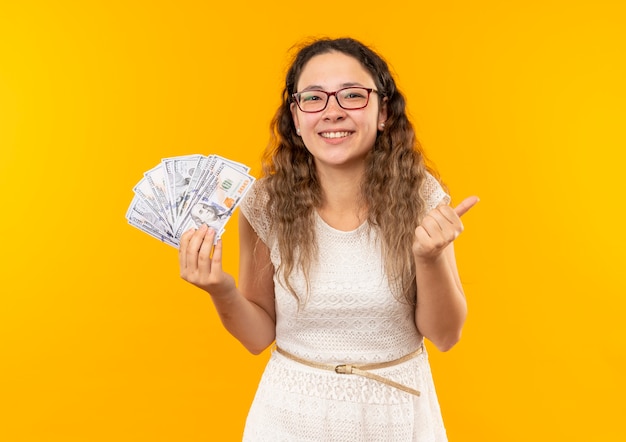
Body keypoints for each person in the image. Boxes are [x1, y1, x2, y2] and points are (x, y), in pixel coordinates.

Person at [178, 37, 478, 441]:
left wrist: (429, 258)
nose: (333, 112)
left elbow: (445, 335)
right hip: (289, 419)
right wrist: (220, 289)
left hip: (398, 420)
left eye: (352, 95)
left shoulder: (421, 196)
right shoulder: (264, 203)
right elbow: (258, 337)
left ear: (383, 111)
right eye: (314, 98)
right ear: (296, 118)